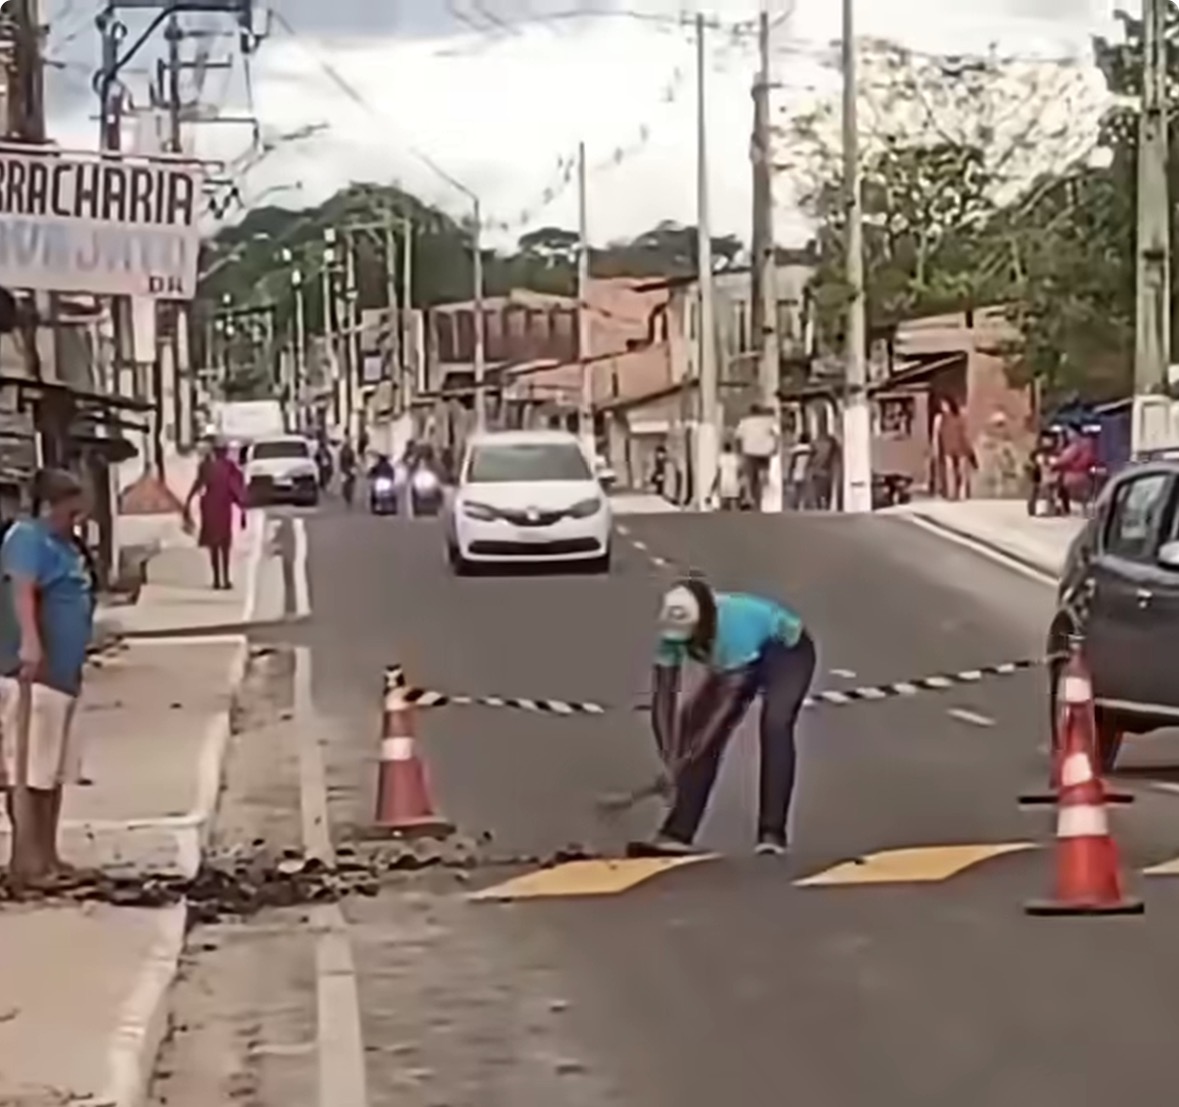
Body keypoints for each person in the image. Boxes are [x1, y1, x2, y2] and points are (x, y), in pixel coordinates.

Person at [630, 577, 817, 858]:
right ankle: (677, 833)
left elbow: (722, 714)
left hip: (786, 653)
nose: (687, 643)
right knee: (691, 725)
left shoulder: (733, 630)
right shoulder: (674, 633)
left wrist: (684, 764)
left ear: (703, 623)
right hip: (735, 664)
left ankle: (771, 833)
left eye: (691, 636)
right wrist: (669, 757)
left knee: (775, 725)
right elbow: (663, 699)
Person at [0, 469, 95, 885]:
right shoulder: (27, 538)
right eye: (69, 512)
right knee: (29, 771)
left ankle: (48, 856)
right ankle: (28, 860)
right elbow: (21, 590)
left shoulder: (64, 544)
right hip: (33, 676)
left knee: (52, 773)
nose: (74, 521)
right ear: (47, 506)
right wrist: (30, 642)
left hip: (63, 676)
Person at [183, 437, 246, 590]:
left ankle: (217, 579)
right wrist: (242, 508)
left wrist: (188, 501)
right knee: (224, 544)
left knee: (214, 545)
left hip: (209, 506)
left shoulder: (206, 466)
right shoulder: (229, 467)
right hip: (223, 506)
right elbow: (236, 488)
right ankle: (225, 578)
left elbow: (198, 484)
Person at [736, 403, 780, 509]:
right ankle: (764, 493)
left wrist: (739, 452)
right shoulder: (769, 421)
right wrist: (775, 448)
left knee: (749, 476)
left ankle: (749, 497)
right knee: (763, 473)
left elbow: (738, 437)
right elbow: (776, 435)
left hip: (749, 451)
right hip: (765, 451)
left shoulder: (744, 422)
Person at [711, 439, 742, 510]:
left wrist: (714, 486)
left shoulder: (721, 458)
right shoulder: (735, 458)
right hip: (733, 483)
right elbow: (739, 472)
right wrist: (739, 482)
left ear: (724, 449)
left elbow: (718, 472)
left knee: (723, 505)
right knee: (733, 504)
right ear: (731, 448)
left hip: (724, 483)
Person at [339, 438, 358, 507]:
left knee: (347, 484)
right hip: (346, 470)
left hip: (346, 470)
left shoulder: (345, 451)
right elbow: (352, 461)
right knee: (347, 484)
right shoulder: (348, 452)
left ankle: (348, 497)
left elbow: (352, 461)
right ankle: (348, 497)